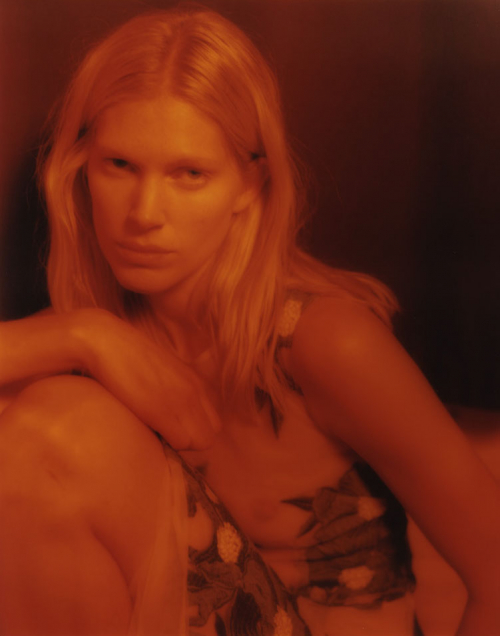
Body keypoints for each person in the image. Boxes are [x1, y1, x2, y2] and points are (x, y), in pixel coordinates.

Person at [0, 6, 499, 636]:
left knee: (57, 424)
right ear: (79, 169)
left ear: (249, 184)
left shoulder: (323, 340)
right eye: (120, 165)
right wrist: (81, 333)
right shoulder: (97, 339)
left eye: (190, 174)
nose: (145, 213)